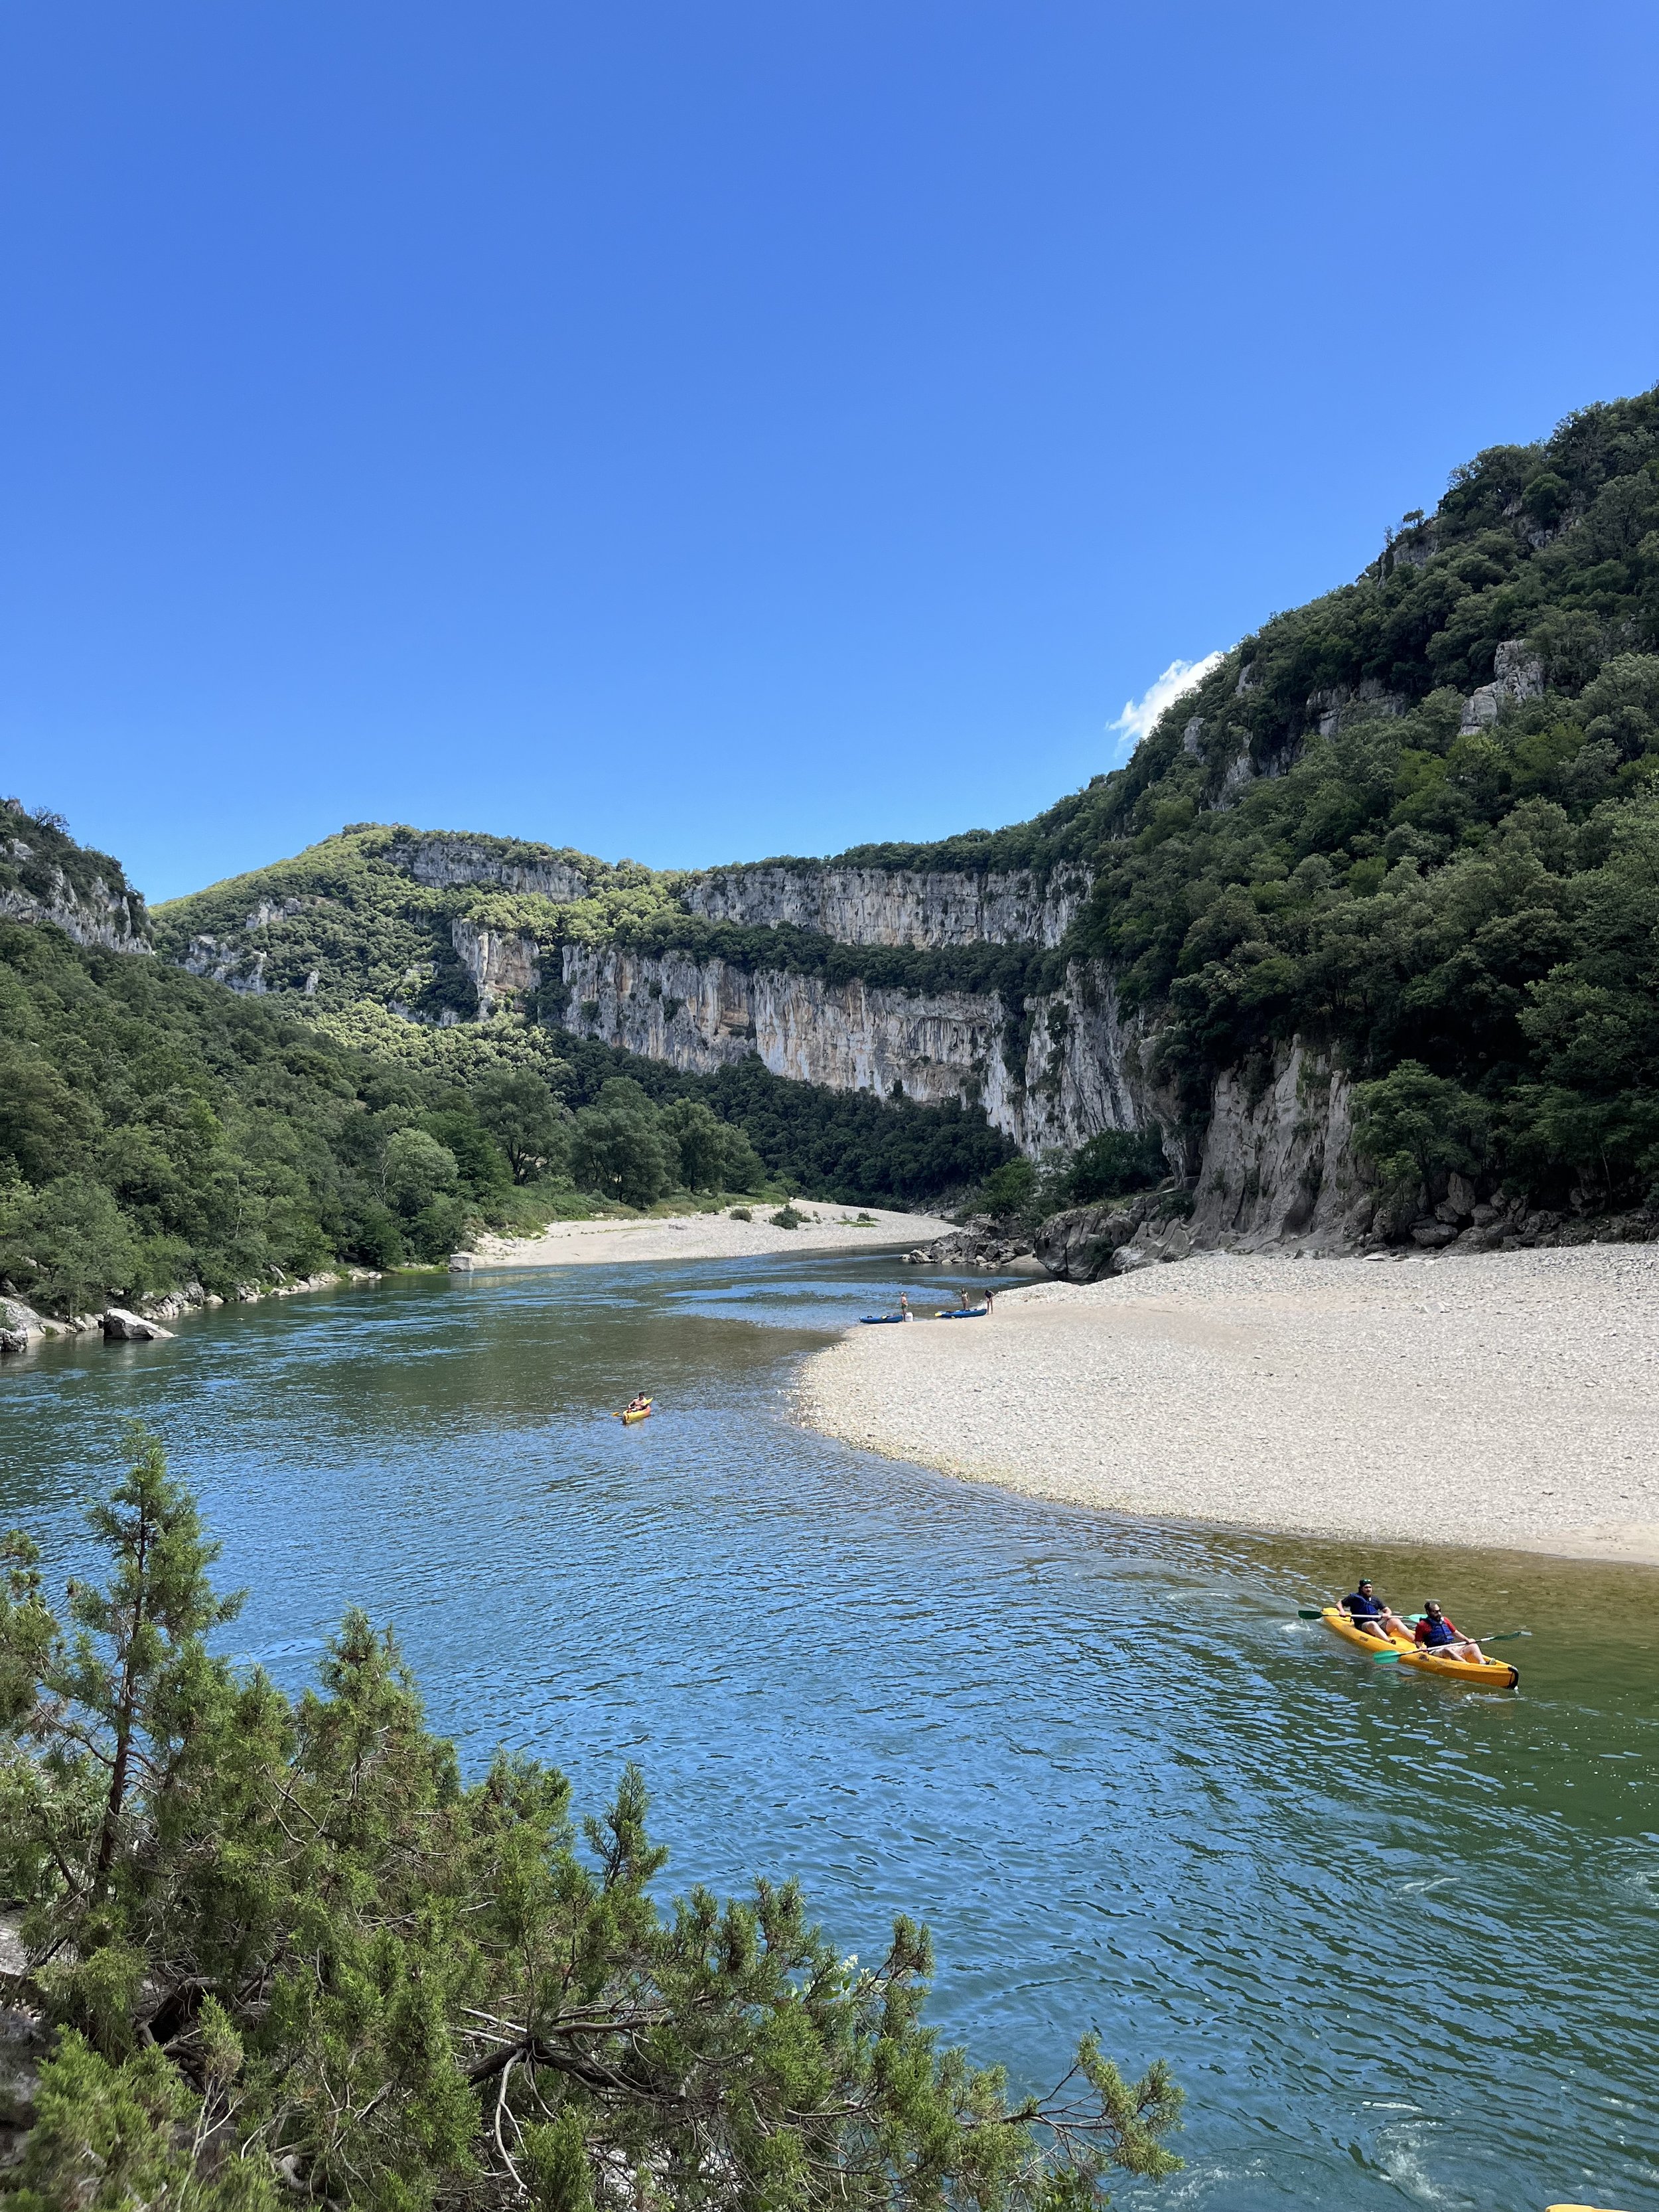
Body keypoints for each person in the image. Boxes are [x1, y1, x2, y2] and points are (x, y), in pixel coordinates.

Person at [1415, 1602, 1485, 1664]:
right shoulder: (1422, 1625)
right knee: (1447, 1650)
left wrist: (1467, 1640)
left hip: (1451, 1646)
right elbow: (1417, 1641)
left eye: (1439, 1611)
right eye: (1435, 1612)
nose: (1439, 1614)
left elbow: (1456, 1633)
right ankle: (1467, 1665)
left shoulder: (1445, 1620)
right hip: (1434, 1650)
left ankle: (1483, 1663)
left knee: (1473, 1645)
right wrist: (1421, 1647)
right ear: (1428, 1612)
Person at [1341, 1580, 1409, 1639]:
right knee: (1373, 1624)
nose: (1368, 1589)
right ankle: (1388, 1642)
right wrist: (1342, 1611)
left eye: (1370, 1587)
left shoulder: (1375, 1599)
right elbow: (1340, 1604)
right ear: (1361, 1589)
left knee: (1395, 1620)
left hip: (1378, 1622)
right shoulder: (1354, 1597)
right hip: (1362, 1624)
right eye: (1366, 1588)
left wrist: (1387, 1614)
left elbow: (1387, 1610)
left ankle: (1415, 1641)